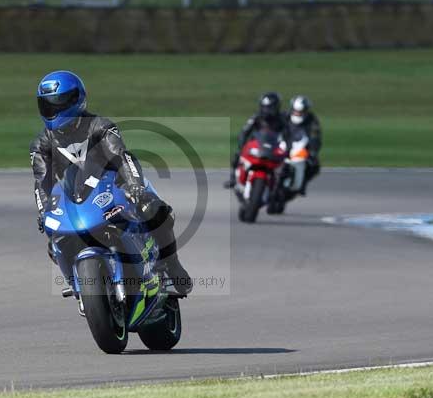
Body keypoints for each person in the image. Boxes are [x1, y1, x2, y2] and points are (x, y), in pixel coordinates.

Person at [30, 70, 192, 295]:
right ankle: (78, 283)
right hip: (75, 196)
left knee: (153, 209)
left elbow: (121, 156)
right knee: (54, 236)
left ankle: (171, 265)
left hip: (115, 184)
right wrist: (43, 209)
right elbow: (41, 182)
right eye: (48, 105)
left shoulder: (100, 125)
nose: (54, 110)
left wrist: (135, 185)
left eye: (60, 102)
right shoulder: (41, 144)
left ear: (77, 99)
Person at [223, 92, 287, 189]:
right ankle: (233, 178)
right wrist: (242, 144)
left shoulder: (282, 119)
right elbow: (245, 131)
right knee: (237, 154)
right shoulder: (256, 117)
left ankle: (282, 185)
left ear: (276, 107)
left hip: (275, 146)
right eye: (265, 107)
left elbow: (289, 133)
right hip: (257, 144)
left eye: (270, 108)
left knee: (287, 161)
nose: (267, 110)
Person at [286, 95, 322, 195]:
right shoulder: (284, 116)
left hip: (300, 148)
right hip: (283, 144)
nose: (297, 113)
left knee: (314, 165)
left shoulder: (312, 120)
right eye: (296, 111)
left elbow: (316, 137)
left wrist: (313, 152)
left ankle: (302, 184)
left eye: (300, 111)